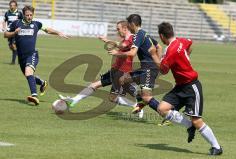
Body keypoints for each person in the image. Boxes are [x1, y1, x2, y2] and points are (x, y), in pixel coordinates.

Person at [110, 14, 201, 144]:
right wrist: (158, 61)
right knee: (123, 80)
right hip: (147, 67)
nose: (127, 26)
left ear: (132, 24)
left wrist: (117, 53)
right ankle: (140, 102)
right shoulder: (144, 34)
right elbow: (158, 46)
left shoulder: (139, 35)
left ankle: (165, 115)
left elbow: (132, 53)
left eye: (128, 24)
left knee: (147, 96)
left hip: (148, 68)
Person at [156, 22, 222, 155]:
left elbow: (163, 70)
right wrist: (185, 57)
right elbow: (190, 43)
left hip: (192, 86)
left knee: (197, 120)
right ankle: (189, 126)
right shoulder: (181, 41)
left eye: (160, 37)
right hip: (181, 86)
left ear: (162, 36)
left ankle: (217, 147)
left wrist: (154, 55)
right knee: (162, 109)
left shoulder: (170, 50)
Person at [59, 20, 144, 118]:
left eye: (118, 29)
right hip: (115, 70)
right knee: (94, 85)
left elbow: (124, 46)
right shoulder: (125, 39)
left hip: (122, 72)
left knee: (114, 97)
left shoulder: (132, 38)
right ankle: (74, 100)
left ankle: (137, 105)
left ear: (125, 29)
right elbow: (121, 47)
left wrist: (108, 41)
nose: (117, 31)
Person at [4, 5, 68, 105]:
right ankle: (42, 83)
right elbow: (5, 35)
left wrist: (58, 32)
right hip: (21, 57)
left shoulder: (36, 24)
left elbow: (47, 30)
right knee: (29, 76)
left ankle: (34, 96)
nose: (29, 17)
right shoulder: (16, 23)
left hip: (32, 54)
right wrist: (14, 33)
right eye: (27, 15)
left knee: (28, 73)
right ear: (23, 15)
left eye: (31, 15)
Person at [2, 0, 23, 64]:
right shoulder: (7, 13)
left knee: (13, 45)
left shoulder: (19, 13)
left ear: (16, 6)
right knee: (11, 46)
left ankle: (13, 61)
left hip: (16, 32)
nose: (12, 7)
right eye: (11, 5)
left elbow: (22, 21)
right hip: (9, 32)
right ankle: (20, 56)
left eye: (13, 5)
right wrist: (4, 28)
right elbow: (4, 21)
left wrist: (20, 29)